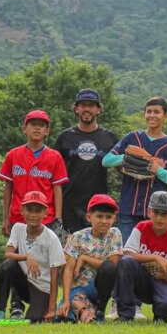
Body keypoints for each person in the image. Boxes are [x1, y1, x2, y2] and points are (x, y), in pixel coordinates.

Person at [102, 96, 167, 242]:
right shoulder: (132, 137)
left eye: (157, 112)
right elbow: (106, 161)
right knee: (125, 250)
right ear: (144, 114)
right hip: (129, 206)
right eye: (149, 111)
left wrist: (158, 170)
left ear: (166, 116)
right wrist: (126, 157)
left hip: (156, 212)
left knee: (150, 251)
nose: (152, 115)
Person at [114, 191, 167, 323]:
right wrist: (155, 257)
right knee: (126, 262)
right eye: (156, 212)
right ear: (149, 212)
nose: (160, 218)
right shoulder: (141, 228)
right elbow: (128, 254)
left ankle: (160, 313)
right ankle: (125, 314)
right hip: (143, 282)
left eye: (164, 214)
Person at [0, 191, 66, 322]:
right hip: (24, 282)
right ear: (22, 211)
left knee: (35, 319)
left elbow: (54, 276)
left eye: (38, 211)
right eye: (29, 209)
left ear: (46, 213)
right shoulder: (18, 228)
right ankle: (0, 310)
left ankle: (37, 309)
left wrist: (51, 309)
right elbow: (8, 254)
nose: (33, 215)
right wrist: (27, 257)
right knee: (8, 265)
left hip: (42, 288)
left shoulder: (51, 238)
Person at [54, 88, 118, 233]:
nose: (87, 109)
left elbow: (122, 167)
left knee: (96, 246)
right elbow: (53, 173)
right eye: (83, 105)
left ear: (98, 109)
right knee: (69, 246)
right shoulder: (65, 137)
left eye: (91, 105)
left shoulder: (109, 138)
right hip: (68, 205)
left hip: (98, 206)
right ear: (76, 109)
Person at [0, 110, 69, 236]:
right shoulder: (13, 155)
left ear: (47, 131)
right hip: (18, 216)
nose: (37, 128)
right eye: (33, 124)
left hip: (45, 217)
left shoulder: (55, 156)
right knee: (17, 248)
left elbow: (57, 189)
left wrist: (58, 219)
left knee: (43, 249)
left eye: (41, 125)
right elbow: (8, 187)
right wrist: (5, 218)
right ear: (24, 129)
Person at [56, 194, 123, 323]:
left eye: (108, 217)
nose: (104, 221)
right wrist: (65, 300)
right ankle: (88, 313)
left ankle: (100, 310)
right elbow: (68, 270)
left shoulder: (115, 233)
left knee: (108, 267)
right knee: (64, 314)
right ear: (89, 217)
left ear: (114, 219)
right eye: (99, 216)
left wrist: (85, 258)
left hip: (100, 287)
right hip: (79, 287)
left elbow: (112, 264)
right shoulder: (77, 237)